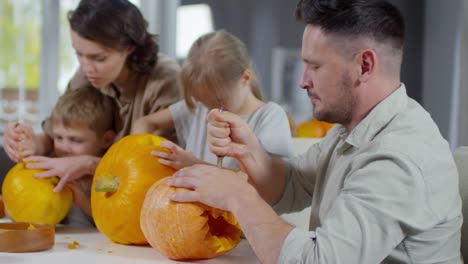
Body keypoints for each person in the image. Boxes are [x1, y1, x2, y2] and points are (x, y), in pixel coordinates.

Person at [166, 0, 463, 263]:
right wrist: (249, 150)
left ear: (365, 65)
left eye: (315, 66)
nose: (302, 81)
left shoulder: (398, 158)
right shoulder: (352, 129)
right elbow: (295, 183)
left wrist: (238, 197)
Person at [3, 0, 181, 192]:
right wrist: (30, 144)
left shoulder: (166, 80)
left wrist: (89, 165)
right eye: (79, 54)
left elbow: (154, 171)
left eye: (99, 58)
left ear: (130, 47)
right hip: (100, 192)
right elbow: (55, 135)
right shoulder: (87, 73)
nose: (86, 68)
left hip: (143, 196)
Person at [131, 30, 293, 170]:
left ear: (245, 78)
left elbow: (266, 183)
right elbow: (144, 123)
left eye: (219, 100)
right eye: (201, 100)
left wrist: (195, 165)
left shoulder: (270, 117)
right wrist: (136, 156)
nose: (209, 111)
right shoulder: (199, 107)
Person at [25, 86, 115, 226]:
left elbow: (112, 221)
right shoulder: (52, 170)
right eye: (58, 137)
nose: (64, 148)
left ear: (106, 140)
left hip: (95, 245)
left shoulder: (104, 179)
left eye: (75, 140)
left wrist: (83, 201)